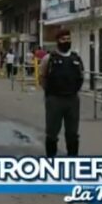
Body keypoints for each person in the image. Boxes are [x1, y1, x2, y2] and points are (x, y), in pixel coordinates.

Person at [38, 29, 84, 157]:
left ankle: (72, 160)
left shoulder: (76, 58)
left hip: (72, 100)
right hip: (55, 100)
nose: (66, 41)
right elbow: (42, 78)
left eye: (68, 39)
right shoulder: (49, 58)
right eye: (63, 39)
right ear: (57, 41)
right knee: (52, 132)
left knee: (73, 133)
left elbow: (80, 76)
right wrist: (50, 93)